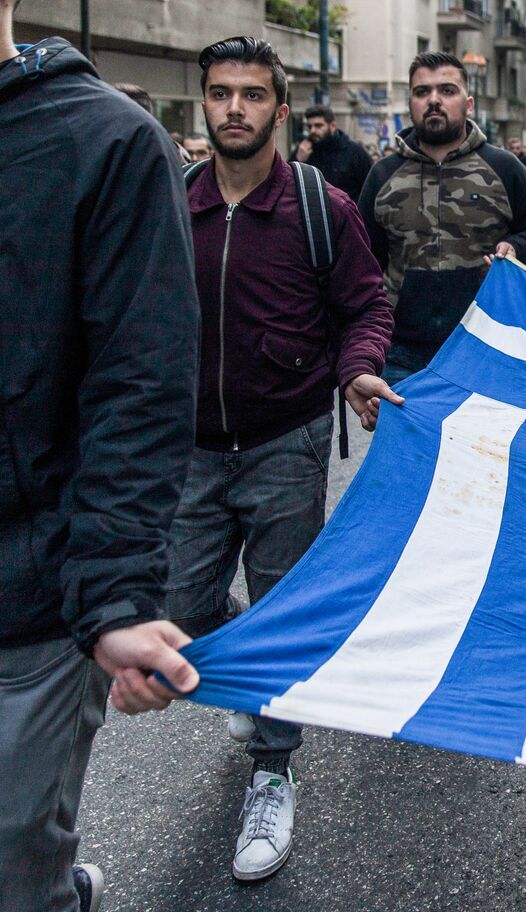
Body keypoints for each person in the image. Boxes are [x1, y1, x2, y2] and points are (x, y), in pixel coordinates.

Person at [174, 35, 400, 883]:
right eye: (221, 93)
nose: (234, 108)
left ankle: (273, 767)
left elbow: (367, 304)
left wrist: (360, 370)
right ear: (205, 103)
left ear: (280, 109)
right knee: (175, 606)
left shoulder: (319, 204)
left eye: (252, 95)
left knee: (279, 603)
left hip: (286, 445)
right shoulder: (168, 200)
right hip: (186, 453)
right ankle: (256, 675)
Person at [0, 13, 202, 912]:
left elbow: (140, 385)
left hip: (26, 611)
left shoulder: (107, 141)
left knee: (12, 861)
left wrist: (116, 597)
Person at [359, 52, 526, 381]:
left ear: (468, 104)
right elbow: (363, 264)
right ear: (410, 102)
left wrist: (515, 247)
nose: (434, 100)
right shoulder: (383, 175)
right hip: (401, 352)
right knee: (404, 435)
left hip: (486, 345)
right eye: (422, 92)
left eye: (447, 90)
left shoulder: (504, 167)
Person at [294, 103, 373, 197]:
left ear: (332, 126)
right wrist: (297, 161)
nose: (312, 131)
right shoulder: (304, 151)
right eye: (309, 127)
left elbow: (371, 189)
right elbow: (285, 184)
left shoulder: (355, 153)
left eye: (318, 126)